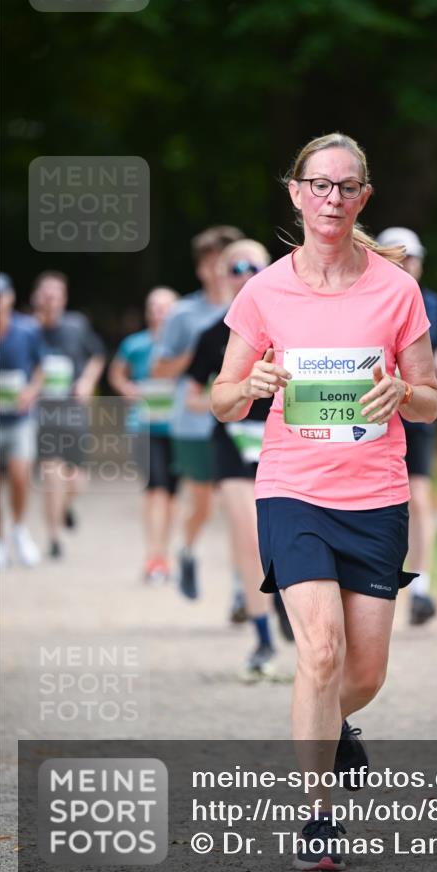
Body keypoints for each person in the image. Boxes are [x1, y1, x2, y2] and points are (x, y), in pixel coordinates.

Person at [211, 133, 437, 871]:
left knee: (363, 674)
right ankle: (316, 815)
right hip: (292, 489)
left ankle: (329, 727)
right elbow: (218, 398)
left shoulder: (395, 289)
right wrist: (247, 388)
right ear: (295, 193)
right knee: (320, 649)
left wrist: (403, 392)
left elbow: (432, 401)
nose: (331, 199)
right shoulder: (265, 289)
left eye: (346, 187)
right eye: (319, 185)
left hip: (374, 495)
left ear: (362, 198)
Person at [187, 239, 292, 679]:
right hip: (232, 445)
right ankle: (264, 638)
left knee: (287, 540)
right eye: (235, 267)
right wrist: (231, 397)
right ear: (221, 275)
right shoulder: (214, 336)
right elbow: (197, 396)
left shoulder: (294, 325)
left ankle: (291, 601)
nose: (244, 274)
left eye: (254, 265)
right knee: (249, 537)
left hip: (284, 442)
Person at [150, 226, 245, 602]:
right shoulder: (184, 314)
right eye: (212, 263)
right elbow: (159, 371)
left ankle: (241, 588)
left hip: (240, 423)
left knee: (240, 508)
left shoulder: (252, 306)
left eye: (228, 262)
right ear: (200, 268)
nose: (220, 270)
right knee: (203, 505)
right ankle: (187, 552)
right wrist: (201, 353)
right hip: (193, 424)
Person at [376, 227, 437, 625]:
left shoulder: (431, 302)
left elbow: (433, 347)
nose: (408, 265)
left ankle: (421, 587)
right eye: (400, 257)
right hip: (374, 409)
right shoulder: (369, 297)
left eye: (414, 258)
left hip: (412, 404)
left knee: (419, 496)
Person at [31, 272, 106, 559]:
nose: (50, 298)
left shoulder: (77, 325)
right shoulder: (27, 330)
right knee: (52, 473)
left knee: (76, 480)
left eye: (56, 293)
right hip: (42, 412)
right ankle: (54, 539)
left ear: (64, 298)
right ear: (36, 297)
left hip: (73, 410)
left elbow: (97, 354)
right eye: (45, 292)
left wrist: (87, 381)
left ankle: (64, 508)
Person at [108, 287, 180, 582]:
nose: (158, 311)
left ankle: (165, 554)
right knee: (154, 487)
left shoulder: (184, 344)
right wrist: (127, 389)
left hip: (176, 427)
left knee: (173, 493)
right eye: (153, 306)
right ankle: (151, 555)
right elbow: (116, 372)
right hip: (143, 425)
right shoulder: (134, 344)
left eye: (164, 306)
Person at [0, 274, 45, 568]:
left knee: (19, 475)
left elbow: (40, 369)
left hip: (20, 418)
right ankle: (0, 541)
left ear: (10, 297)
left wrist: (31, 391)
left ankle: (18, 528)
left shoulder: (27, 330)